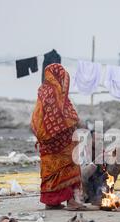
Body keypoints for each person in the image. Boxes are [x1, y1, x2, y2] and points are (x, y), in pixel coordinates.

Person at [31, 64, 84, 210]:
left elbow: (37, 117)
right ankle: (71, 201)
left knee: (50, 171)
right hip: (63, 141)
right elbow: (66, 117)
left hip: (46, 141)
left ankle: (52, 202)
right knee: (69, 168)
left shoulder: (42, 91)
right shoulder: (57, 94)